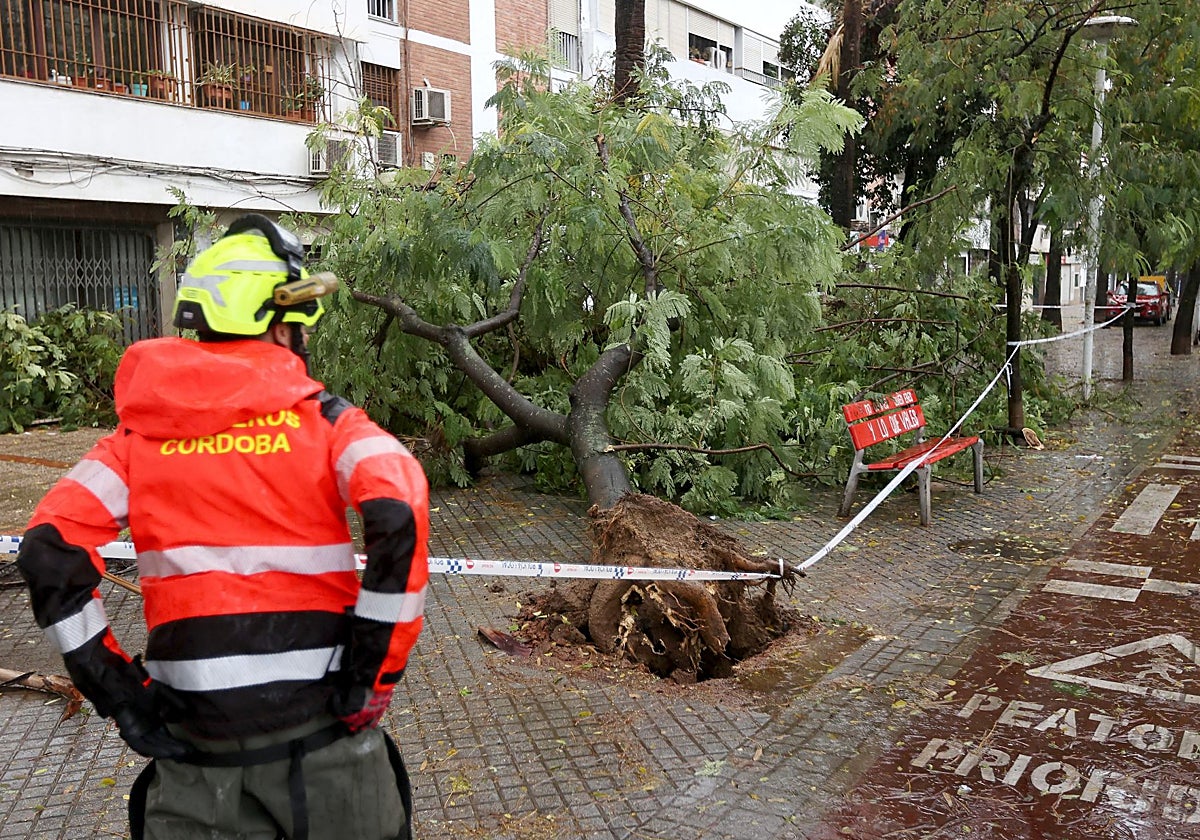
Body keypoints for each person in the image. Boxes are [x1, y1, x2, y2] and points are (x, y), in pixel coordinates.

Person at [17, 214, 429, 840]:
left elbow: (49, 552)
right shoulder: (325, 423)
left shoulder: (135, 440)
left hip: (195, 765)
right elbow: (398, 504)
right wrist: (373, 674)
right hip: (327, 748)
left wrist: (121, 692)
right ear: (276, 321)